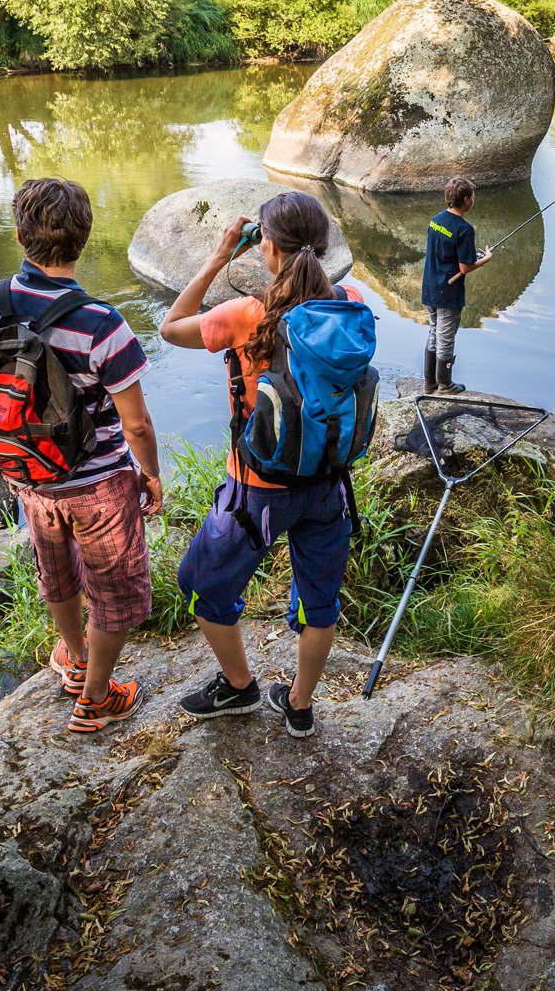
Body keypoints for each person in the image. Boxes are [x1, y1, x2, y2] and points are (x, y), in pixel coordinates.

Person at [0, 178, 164, 735]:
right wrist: (149, 475)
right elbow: (137, 422)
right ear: (84, 238)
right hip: (97, 483)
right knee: (117, 591)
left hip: (26, 473)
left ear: (21, 234)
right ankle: (97, 696)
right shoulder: (101, 323)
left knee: (56, 569)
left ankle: (73, 657)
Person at [158, 191, 363, 738]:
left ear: (266, 247)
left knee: (201, 583)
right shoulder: (351, 302)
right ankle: (299, 706)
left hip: (256, 491)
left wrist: (221, 254)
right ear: (322, 246)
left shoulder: (247, 315)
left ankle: (241, 687)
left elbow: (170, 327)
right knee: (320, 602)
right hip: (329, 484)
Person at [421, 176, 492, 394]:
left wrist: (470, 255)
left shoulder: (436, 220)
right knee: (446, 338)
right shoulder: (464, 229)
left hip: (430, 287)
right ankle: (445, 385)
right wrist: (485, 258)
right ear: (466, 200)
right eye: (473, 197)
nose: (474, 200)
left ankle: (429, 384)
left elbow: (446, 252)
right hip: (448, 292)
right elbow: (465, 268)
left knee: (434, 332)